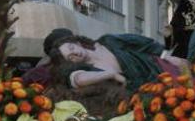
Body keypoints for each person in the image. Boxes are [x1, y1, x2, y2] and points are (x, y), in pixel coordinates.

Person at [48, 34, 186, 93]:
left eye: (72, 48)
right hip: (147, 93)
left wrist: (165, 55)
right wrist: (110, 74)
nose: (75, 54)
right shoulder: (86, 69)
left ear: (77, 43)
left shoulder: (107, 41)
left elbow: (140, 42)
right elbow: (77, 79)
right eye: (70, 57)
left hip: (159, 69)